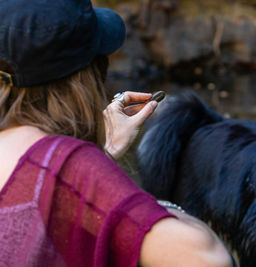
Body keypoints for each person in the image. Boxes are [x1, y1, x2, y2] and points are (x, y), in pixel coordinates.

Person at [0, 0, 234, 266]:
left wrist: (104, 157)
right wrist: (159, 209)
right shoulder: (64, 163)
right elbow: (207, 258)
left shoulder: (35, 158)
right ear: (83, 78)